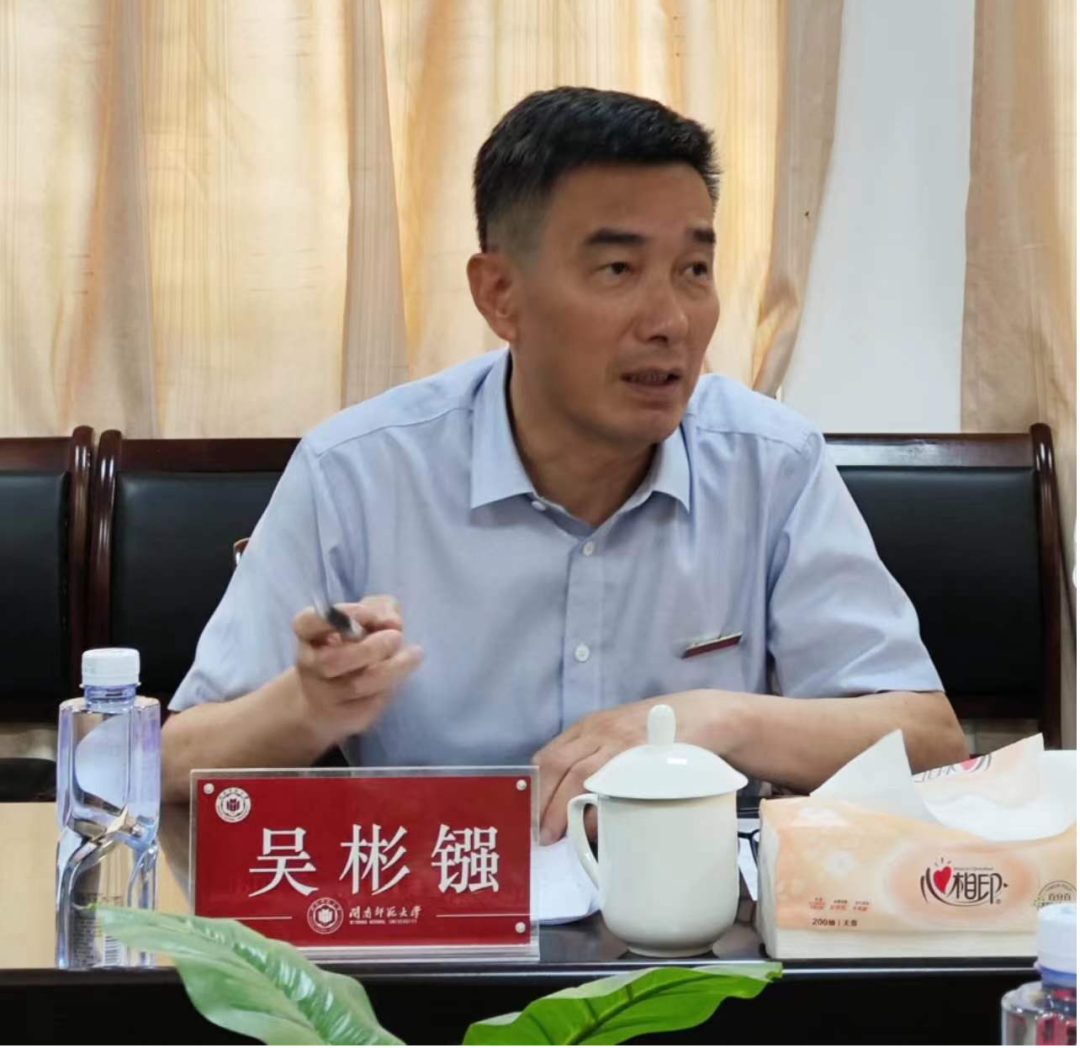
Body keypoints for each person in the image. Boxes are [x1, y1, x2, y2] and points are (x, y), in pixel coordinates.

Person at [164, 87, 968, 839]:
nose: (670, 321)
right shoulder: (359, 471)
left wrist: (709, 718)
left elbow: (930, 741)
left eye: (694, 270)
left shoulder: (771, 463)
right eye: (618, 270)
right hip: (442, 909)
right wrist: (308, 706)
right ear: (500, 294)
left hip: (699, 923)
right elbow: (171, 763)